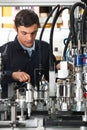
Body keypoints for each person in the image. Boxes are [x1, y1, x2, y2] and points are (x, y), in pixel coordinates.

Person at [0, 9, 59, 98]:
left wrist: (60, 66)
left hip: (41, 104)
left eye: (33, 33)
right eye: (24, 33)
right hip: (13, 107)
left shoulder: (44, 48)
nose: (29, 38)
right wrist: (12, 75)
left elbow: (52, 72)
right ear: (16, 29)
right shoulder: (5, 51)